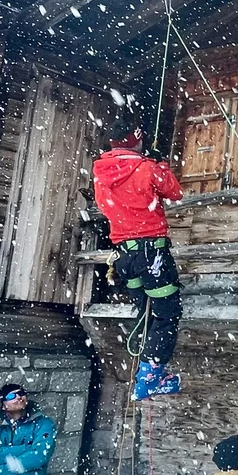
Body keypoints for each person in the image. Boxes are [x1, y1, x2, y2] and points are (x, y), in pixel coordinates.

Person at [92, 129, 184, 399]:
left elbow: (106, 205)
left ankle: (147, 370)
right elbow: (174, 191)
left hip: (124, 255)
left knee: (145, 313)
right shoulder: (146, 168)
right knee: (166, 315)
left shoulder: (101, 172)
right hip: (151, 253)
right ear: (137, 141)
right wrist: (159, 164)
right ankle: (148, 379)